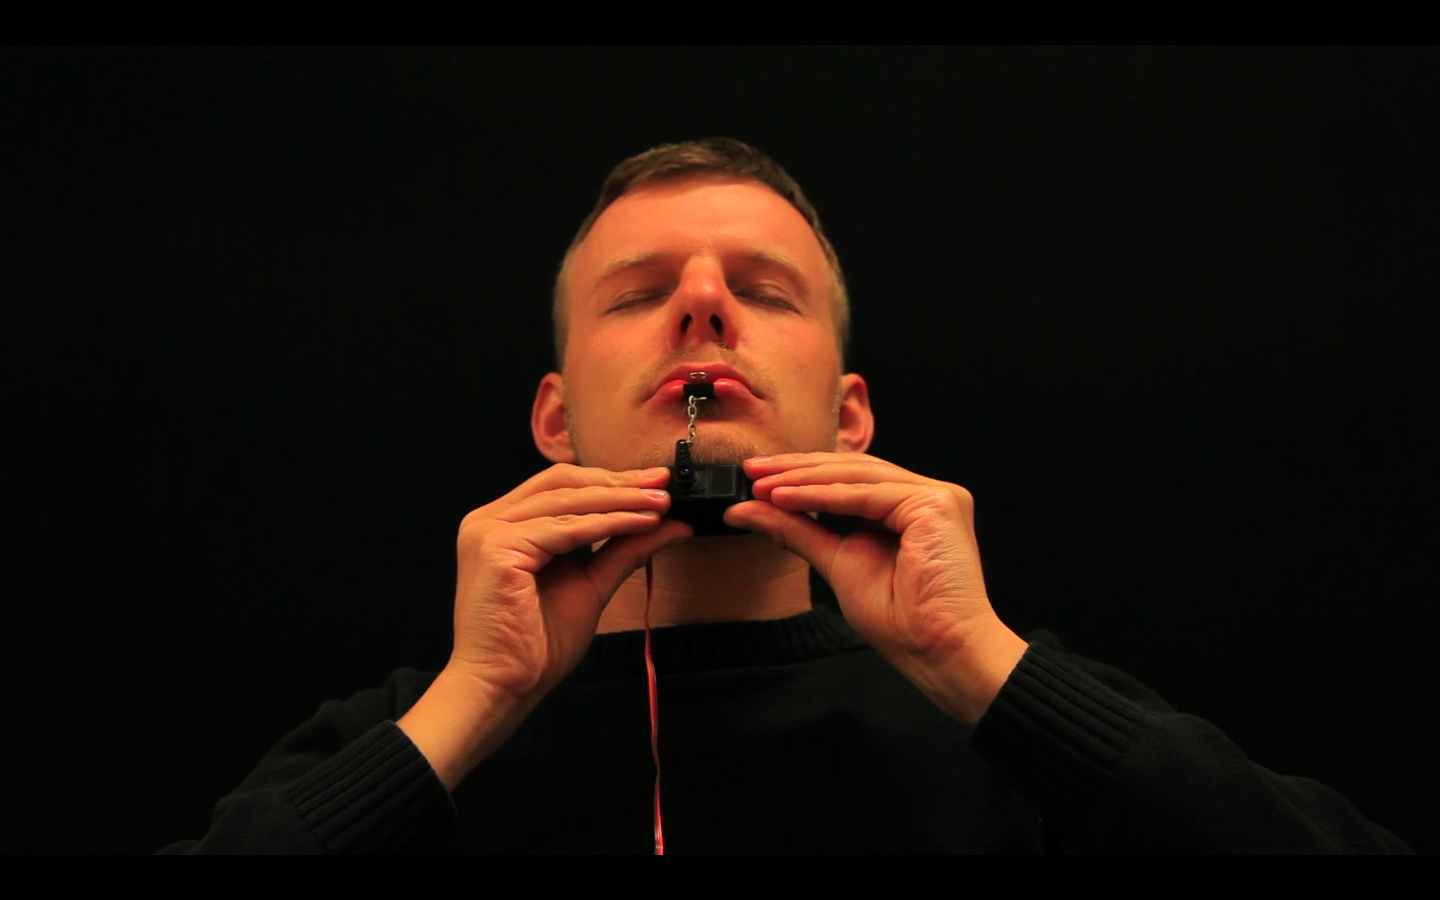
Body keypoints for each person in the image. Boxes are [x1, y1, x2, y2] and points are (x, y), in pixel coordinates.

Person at [161, 138, 1410, 854]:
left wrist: (982, 667)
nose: (704, 304)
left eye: (763, 292)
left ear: (850, 418)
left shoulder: (1008, 714)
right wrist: (468, 708)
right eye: (640, 292)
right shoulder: (405, 730)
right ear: (554, 422)